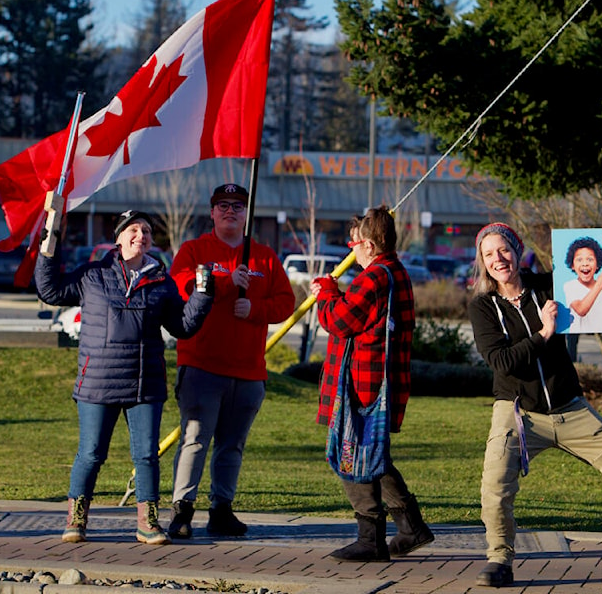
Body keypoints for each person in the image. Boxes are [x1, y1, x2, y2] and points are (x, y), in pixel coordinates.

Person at [467, 222, 602, 588]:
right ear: (482, 261)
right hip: (517, 412)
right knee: (495, 487)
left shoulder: (550, 286)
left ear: (518, 249)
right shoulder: (482, 307)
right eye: (489, 253)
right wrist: (543, 333)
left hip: (570, 408)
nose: (499, 259)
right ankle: (499, 560)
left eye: (504, 249)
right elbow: (502, 362)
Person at [35, 209, 213, 546]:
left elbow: (183, 327)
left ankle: (148, 522)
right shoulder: (93, 275)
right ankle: (76, 519)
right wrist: (50, 245)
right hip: (97, 383)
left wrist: (203, 294)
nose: (140, 235)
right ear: (118, 238)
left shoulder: (161, 281)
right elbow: (50, 291)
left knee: (146, 455)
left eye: (146, 230)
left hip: (144, 385)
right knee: (90, 454)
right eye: (132, 229)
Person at [167, 183, 295, 539]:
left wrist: (255, 308)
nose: (230, 211)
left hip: (248, 371)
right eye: (222, 205)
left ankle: (221, 510)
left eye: (238, 206)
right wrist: (225, 285)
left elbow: (286, 302)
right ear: (211, 213)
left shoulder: (264, 257)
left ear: (246, 215)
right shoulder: (193, 251)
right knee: (194, 439)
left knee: (232, 446)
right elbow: (183, 290)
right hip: (201, 365)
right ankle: (182, 511)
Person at [310, 205, 434, 562]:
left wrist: (326, 293)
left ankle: (370, 536)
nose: (351, 249)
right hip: (383, 382)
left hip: (362, 387)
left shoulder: (374, 277)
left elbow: (339, 321)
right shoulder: (396, 272)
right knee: (376, 456)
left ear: (368, 244)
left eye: (353, 242)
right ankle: (411, 527)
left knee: (352, 456)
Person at [563, 236, 602, 333]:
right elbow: (581, 310)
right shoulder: (570, 286)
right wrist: (599, 285)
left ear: (597, 265)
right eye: (579, 260)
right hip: (580, 339)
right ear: (572, 266)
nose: (585, 264)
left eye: (590, 259)